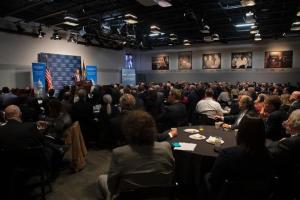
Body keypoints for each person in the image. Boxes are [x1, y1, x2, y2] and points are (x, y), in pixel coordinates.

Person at [97, 110, 175, 200]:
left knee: (101, 178)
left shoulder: (119, 153)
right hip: (160, 196)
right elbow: (171, 176)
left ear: (127, 130)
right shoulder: (166, 148)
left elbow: (112, 188)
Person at [206, 116, 272, 198]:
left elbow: (213, 180)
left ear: (241, 132)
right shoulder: (269, 155)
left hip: (229, 194)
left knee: (206, 177)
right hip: (257, 196)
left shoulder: (227, 154)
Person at [268, 109, 300, 200]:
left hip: (285, 185)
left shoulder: (288, 144)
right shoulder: (290, 140)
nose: (285, 122)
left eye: (289, 120)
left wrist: (281, 142)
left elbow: (270, 156)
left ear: (295, 124)